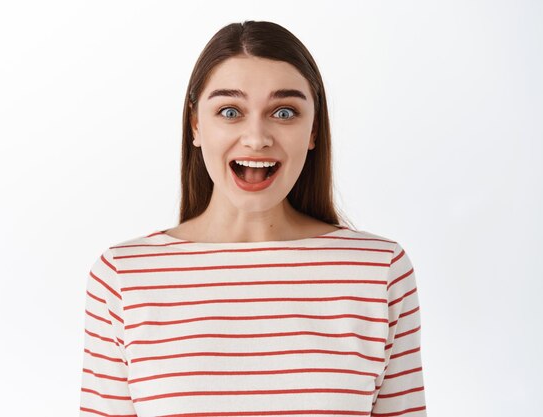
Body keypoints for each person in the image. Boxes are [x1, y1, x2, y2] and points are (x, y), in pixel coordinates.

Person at [79, 20, 427, 417]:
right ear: (196, 125)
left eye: (284, 111)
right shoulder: (124, 277)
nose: (257, 137)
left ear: (314, 130)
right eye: (230, 111)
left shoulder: (379, 271)